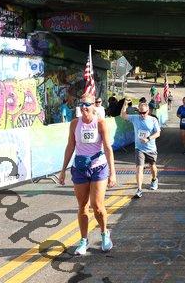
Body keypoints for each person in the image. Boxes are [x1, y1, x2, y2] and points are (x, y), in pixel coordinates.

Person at [58, 94, 117, 255]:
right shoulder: (74, 123)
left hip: (98, 167)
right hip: (80, 168)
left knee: (97, 206)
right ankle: (84, 240)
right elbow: (70, 146)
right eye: (82, 104)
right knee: (82, 206)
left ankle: (104, 233)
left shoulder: (100, 123)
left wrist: (112, 173)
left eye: (87, 104)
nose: (84, 107)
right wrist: (63, 170)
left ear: (93, 106)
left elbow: (107, 148)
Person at [121, 100, 161, 198]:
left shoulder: (153, 120)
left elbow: (158, 133)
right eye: (140, 112)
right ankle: (139, 189)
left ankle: (154, 179)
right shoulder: (135, 118)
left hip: (150, 148)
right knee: (139, 168)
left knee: (152, 166)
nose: (142, 114)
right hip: (139, 148)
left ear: (148, 111)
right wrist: (125, 104)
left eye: (144, 112)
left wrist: (148, 139)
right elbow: (123, 115)